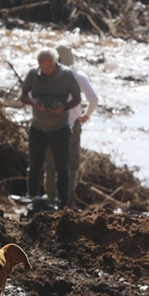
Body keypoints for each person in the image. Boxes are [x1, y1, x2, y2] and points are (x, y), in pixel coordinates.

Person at [20, 49, 81, 210]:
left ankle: (62, 202)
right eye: (43, 67)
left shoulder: (67, 75)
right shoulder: (33, 74)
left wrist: (64, 107)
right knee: (35, 166)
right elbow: (23, 95)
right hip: (38, 127)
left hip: (60, 128)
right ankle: (33, 198)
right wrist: (33, 102)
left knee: (62, 167)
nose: (47, 71)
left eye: (50, 67)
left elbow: (77, 98)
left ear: (56, 63)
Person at [43, 45, 99, 204]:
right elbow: (94, 99)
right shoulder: (78, 76)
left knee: (51, 165)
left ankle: (50, 200)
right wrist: (86, 115)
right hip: (71, 126)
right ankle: (66, 201)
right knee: (71, 164)